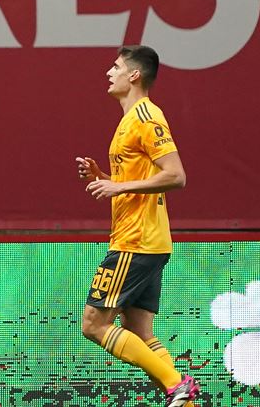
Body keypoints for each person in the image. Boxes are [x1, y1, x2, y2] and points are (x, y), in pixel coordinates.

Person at [76, 45, 199, 407]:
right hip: (149, 240)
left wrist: (119, 186)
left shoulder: (147, 117)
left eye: (115, 67)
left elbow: (176, 175)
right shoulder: (129, 119)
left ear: (134, 75)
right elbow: (142, 177)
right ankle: (184, 399)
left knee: (93, 325)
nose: (108, 73)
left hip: (136, 241)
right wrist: (106, 176)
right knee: (140, 332)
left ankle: (178, 385)